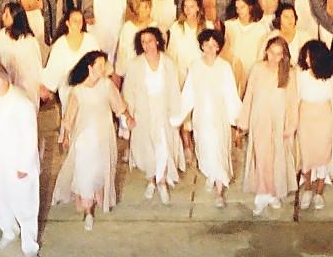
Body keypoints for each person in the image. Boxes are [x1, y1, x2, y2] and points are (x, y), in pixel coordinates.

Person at [55, 51, 128, 230]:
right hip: (84, 139)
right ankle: (88, 211)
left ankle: (99, 197)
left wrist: (128, 118)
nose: (103, 69)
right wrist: (65, 136)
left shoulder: (107, 85)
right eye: (99, 66)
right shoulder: (77, 91)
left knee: (100, 170)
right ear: (90, 68)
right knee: (85, 173)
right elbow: (69, 116)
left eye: (104, 65)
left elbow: (118, 105)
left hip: (104, 137)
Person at [0, 62, 41, 257]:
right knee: (1, 199)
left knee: (25, 203)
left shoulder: (22, 102)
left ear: (1, 80)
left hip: (17, 163)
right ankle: (8, 231)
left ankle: (30, 246)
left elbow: (30, 137)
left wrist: (24, 166)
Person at [175, 29, 242, 209]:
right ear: (202, 46)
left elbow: (231, 94)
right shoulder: (195, 66)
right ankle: (211, 175)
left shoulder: (224, 67)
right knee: (205, 149)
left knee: (219, 150)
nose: (210, 49)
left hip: (219, 116)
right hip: (202, 117)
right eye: (207, 45)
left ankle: (219, 191)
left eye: (214, 45)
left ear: (219, 47)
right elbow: (188, 93)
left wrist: (238, 117)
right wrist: (178, 116)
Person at [237, 36, 300, 216]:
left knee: (277, 156)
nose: (274, 57)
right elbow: (249, 95)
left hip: (279, 120)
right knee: (261, 154)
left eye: (279, 54)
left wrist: (291, 124)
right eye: (272, 53)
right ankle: (261, 193)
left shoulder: (289, 73)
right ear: (266, 51)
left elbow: (292, 101)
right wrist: (243, 121)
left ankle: (273, 192)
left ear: (284, 56)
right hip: (260, 119)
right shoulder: (258, 68)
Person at [123, 27, 183, 204]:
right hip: (143, 112)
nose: (147, 45)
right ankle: (151, 179)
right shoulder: (135, 64)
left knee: (163, 146)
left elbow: (174, 90)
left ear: (157, 41)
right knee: (147, 147)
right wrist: (128, 116)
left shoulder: (168, 63)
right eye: (143, 42)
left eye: (150, 40)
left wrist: (176, 114)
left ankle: (162, 181)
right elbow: (129, 91)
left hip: (163, 111)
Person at [294, 40, 333, 210]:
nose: (307, 60)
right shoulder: (301, 73)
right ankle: (307, 188)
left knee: (323, 155)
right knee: (306, 154)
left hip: (324, 116)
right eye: (306, 57)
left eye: (310, 57)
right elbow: (296, 97)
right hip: (305, 116)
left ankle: (319, 192)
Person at [0, 2, 46, 96]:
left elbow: (36, 67)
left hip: (26, 87)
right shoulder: (1, 35)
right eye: (4, 13)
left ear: (15, 18)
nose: (3, 17)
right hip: (6, 86)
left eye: (7, 15)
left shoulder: (29, 40)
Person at [222, 0, 271, 93]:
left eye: (242, 7)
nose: (239, 11)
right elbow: (225, 51)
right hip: (233, 71)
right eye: (237, 8)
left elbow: (262, 54)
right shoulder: (229, 26)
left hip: (253, 72)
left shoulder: (261, 29)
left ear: (250, 7)